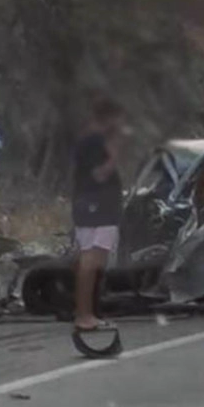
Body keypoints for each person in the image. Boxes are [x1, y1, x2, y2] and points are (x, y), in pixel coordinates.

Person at [71, 98, 125, 332]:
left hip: (95, 206)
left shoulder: (90, 139)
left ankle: (90, 312)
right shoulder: (94, 141)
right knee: (91, 260)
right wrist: (114, 156)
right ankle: (84, 314)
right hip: (96, 207)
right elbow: (99, 175)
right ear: (109, 119)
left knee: (95, 260)